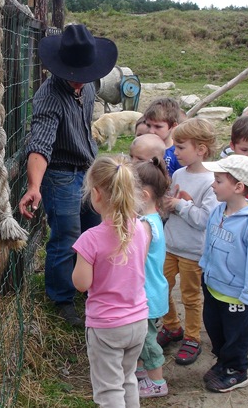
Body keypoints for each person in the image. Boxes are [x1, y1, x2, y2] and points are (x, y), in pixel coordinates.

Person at [19, 24, 118, 328]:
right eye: (73, 75)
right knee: (66, 236)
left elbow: (84, 125)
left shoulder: (88, 86)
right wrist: (35, 185)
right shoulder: (49, 95)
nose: (79, 81)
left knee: (96, 228)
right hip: (60, 172)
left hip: (87, 169)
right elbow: (40, 143)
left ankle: (90, 285)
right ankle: (61, 298)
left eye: (83, 74)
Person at [72, 154, 149, 407]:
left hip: (107, 326)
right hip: (138, 320)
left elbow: (81, 284)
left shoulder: (90, 239)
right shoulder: (141, 228)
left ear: (95, 194)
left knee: (108, 390)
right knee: (127, 378)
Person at [200, 154, 248, 392]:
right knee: (215, 330)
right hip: (213, 286)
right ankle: (223, 362)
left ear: (238, 187)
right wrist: (205, 269)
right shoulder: (218, 212)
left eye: (218, 181)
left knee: (235, 336)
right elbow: (209, 242)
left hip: (237, 295)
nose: (212, 185)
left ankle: (237, 370)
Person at [158, 118, 219, 365]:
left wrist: (180, 206)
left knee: (191, 296)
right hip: (170, 245)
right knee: (161, 287)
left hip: (193, 251)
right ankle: (172, 326)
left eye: (181, 147)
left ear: (201, 149)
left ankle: (193, 337)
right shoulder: (179, 173)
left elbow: (206, 219)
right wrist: (167, 205)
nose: (176, 151)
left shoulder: (211, 181)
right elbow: (171, 204)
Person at [134, 156, 171, 398]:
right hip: (152, 290)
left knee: (147, 340)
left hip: (146, 293)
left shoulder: (146, 225)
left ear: (144, 196)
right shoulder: (153, 219)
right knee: (140, 336)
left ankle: (157, 382)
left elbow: (137, 259)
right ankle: (140, 371)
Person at [141, 98, 183, 176]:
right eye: (148, 125)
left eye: (158, 127)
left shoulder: (177, 153)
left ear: (174, 126)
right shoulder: (141, 148)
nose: (151, 131)